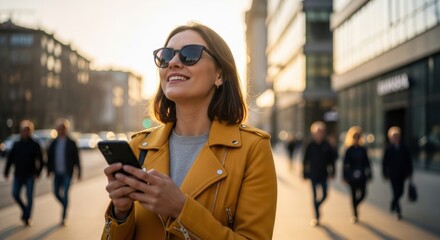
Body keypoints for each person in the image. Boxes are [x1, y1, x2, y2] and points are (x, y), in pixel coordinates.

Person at [101, 22, 277, 239]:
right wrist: (121, 212)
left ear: (219, 75)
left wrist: (180, 209)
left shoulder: (252, 149)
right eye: (166, 56)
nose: (173, 62)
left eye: (190, 54)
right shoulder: (139, 146)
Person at [3, 120, 44, 226]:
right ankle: (25, 209)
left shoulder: (35, 144)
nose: (25, 132)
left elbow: (41, 160)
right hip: (18, 174)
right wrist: (6, 171)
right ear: (21, 132)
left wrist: (38, 172)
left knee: (29, 197)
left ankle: (27, 217)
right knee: (15, 193)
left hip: (30, 175)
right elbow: (10, 159)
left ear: (31, 131)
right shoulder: (17, 144)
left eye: (27, 130)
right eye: (23, 130)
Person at [47, 118, 81, 226]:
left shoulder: (71, 142)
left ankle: (63, 216)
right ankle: (65, 205)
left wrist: (79, 172)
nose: (61, 130)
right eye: (59, 128)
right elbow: (49, 158)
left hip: (67, 172)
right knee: (56, 192)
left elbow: (77, 158)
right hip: (57, 173)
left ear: (66, 130)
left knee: (65, 193)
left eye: (63, 128)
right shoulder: (53, 143)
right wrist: (48, 170)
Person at [302, 121, 335, 226]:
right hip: (313, 174)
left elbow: (332, 160)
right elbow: (305, 160)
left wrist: (333, 172)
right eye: (318, 132)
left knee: (325, 194)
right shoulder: (310, 145)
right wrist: (304, 173)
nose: (320, 134)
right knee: (315, 195)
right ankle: (316, 217)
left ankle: (317, 205)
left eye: (321, 132)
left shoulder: (327, 145)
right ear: (314, 133)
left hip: (324, 174)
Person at [382, 126, 413, 220]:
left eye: (396, 136)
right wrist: (384, 174)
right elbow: (384, 163)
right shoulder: (388, 148)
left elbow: (409, 161)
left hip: (402, 174)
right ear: (390, 137)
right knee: (395, 191)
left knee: (401, 191)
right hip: (392, 175)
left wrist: (410, 173)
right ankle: (398, 211)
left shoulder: (404, 147)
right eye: (393, 136)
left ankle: (393, 202)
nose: (395, 138)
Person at [342, 126, 372, 223]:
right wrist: (345, 176)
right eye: (355, 136)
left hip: (362, 175)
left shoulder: (363, 149)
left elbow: (367, 162)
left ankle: (356, 205)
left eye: (358, 136)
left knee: (363, 194)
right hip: (351, 176)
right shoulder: (349, 149)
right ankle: (355, 214)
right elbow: (345, 164)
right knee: (353, 195)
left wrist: (370, 174)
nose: (356, 138)